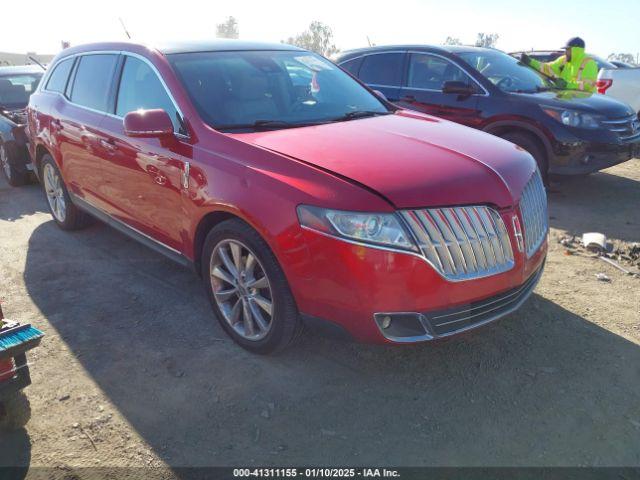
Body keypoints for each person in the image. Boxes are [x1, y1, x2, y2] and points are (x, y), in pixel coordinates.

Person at [520, 37, 598, 92]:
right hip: (569, 99)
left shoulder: (589, 63)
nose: (565, 52)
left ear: (576, 50)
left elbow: (588, 85)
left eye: (568, 49)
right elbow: (548, 68)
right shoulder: (564, 59)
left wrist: (566, 85)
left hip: (586, 102)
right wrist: (531, 62)